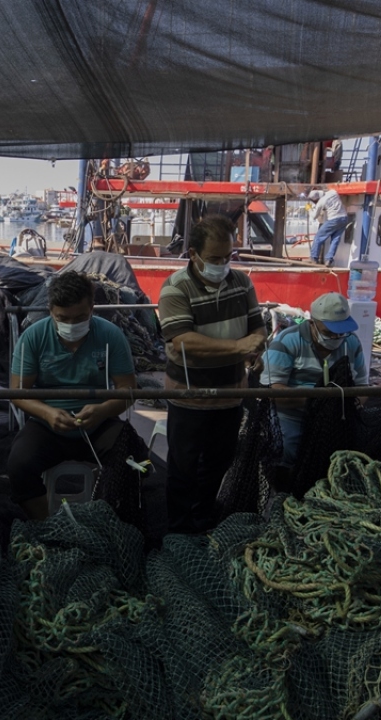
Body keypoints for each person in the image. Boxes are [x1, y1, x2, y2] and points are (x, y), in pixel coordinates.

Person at [158, 215, 268, 534]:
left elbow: (257, 326)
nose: (222, 264)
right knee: (183, 467)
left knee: (219, 462)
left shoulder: (242, 282)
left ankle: (203, 517)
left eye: (227, 257)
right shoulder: (175, 288)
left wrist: (256, 346)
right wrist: (239, 347)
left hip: (231, 395)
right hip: (189, 396)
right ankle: (178, 529)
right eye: (214, 258)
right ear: (193, 254)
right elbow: (184, 341)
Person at [7, 271, 138, 520]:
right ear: (50, 310)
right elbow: (18, 393)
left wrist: (102, 411)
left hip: (99, 423)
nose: (71, 325)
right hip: (46, 425)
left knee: (130, 457)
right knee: (19, 463)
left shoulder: (110, 335)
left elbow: (128, 391)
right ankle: (44, 523)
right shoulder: (33, 337)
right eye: (62, 318)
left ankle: (107, 519)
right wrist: (47, 413)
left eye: (80, 317)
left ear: (92, 308)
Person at [261, 292, 367, 466]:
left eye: (341, 333)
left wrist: (353, 406)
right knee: (287, 450)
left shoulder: (351, 342)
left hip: (337, 416)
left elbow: (363, 386)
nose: (336, 338)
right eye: (329, 332)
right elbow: (273, 393)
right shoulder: (286, 342)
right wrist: (319, 401)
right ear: (312, 323)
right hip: (292, 416)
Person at [308, 188, 349, 266]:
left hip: (333, 219)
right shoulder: (333, 192)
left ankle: (314, 257)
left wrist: (309, 208)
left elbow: (314, 216)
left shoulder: (321, 202)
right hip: (344, 218)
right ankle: (329, 259)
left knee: (318, 237)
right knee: (335, 239)